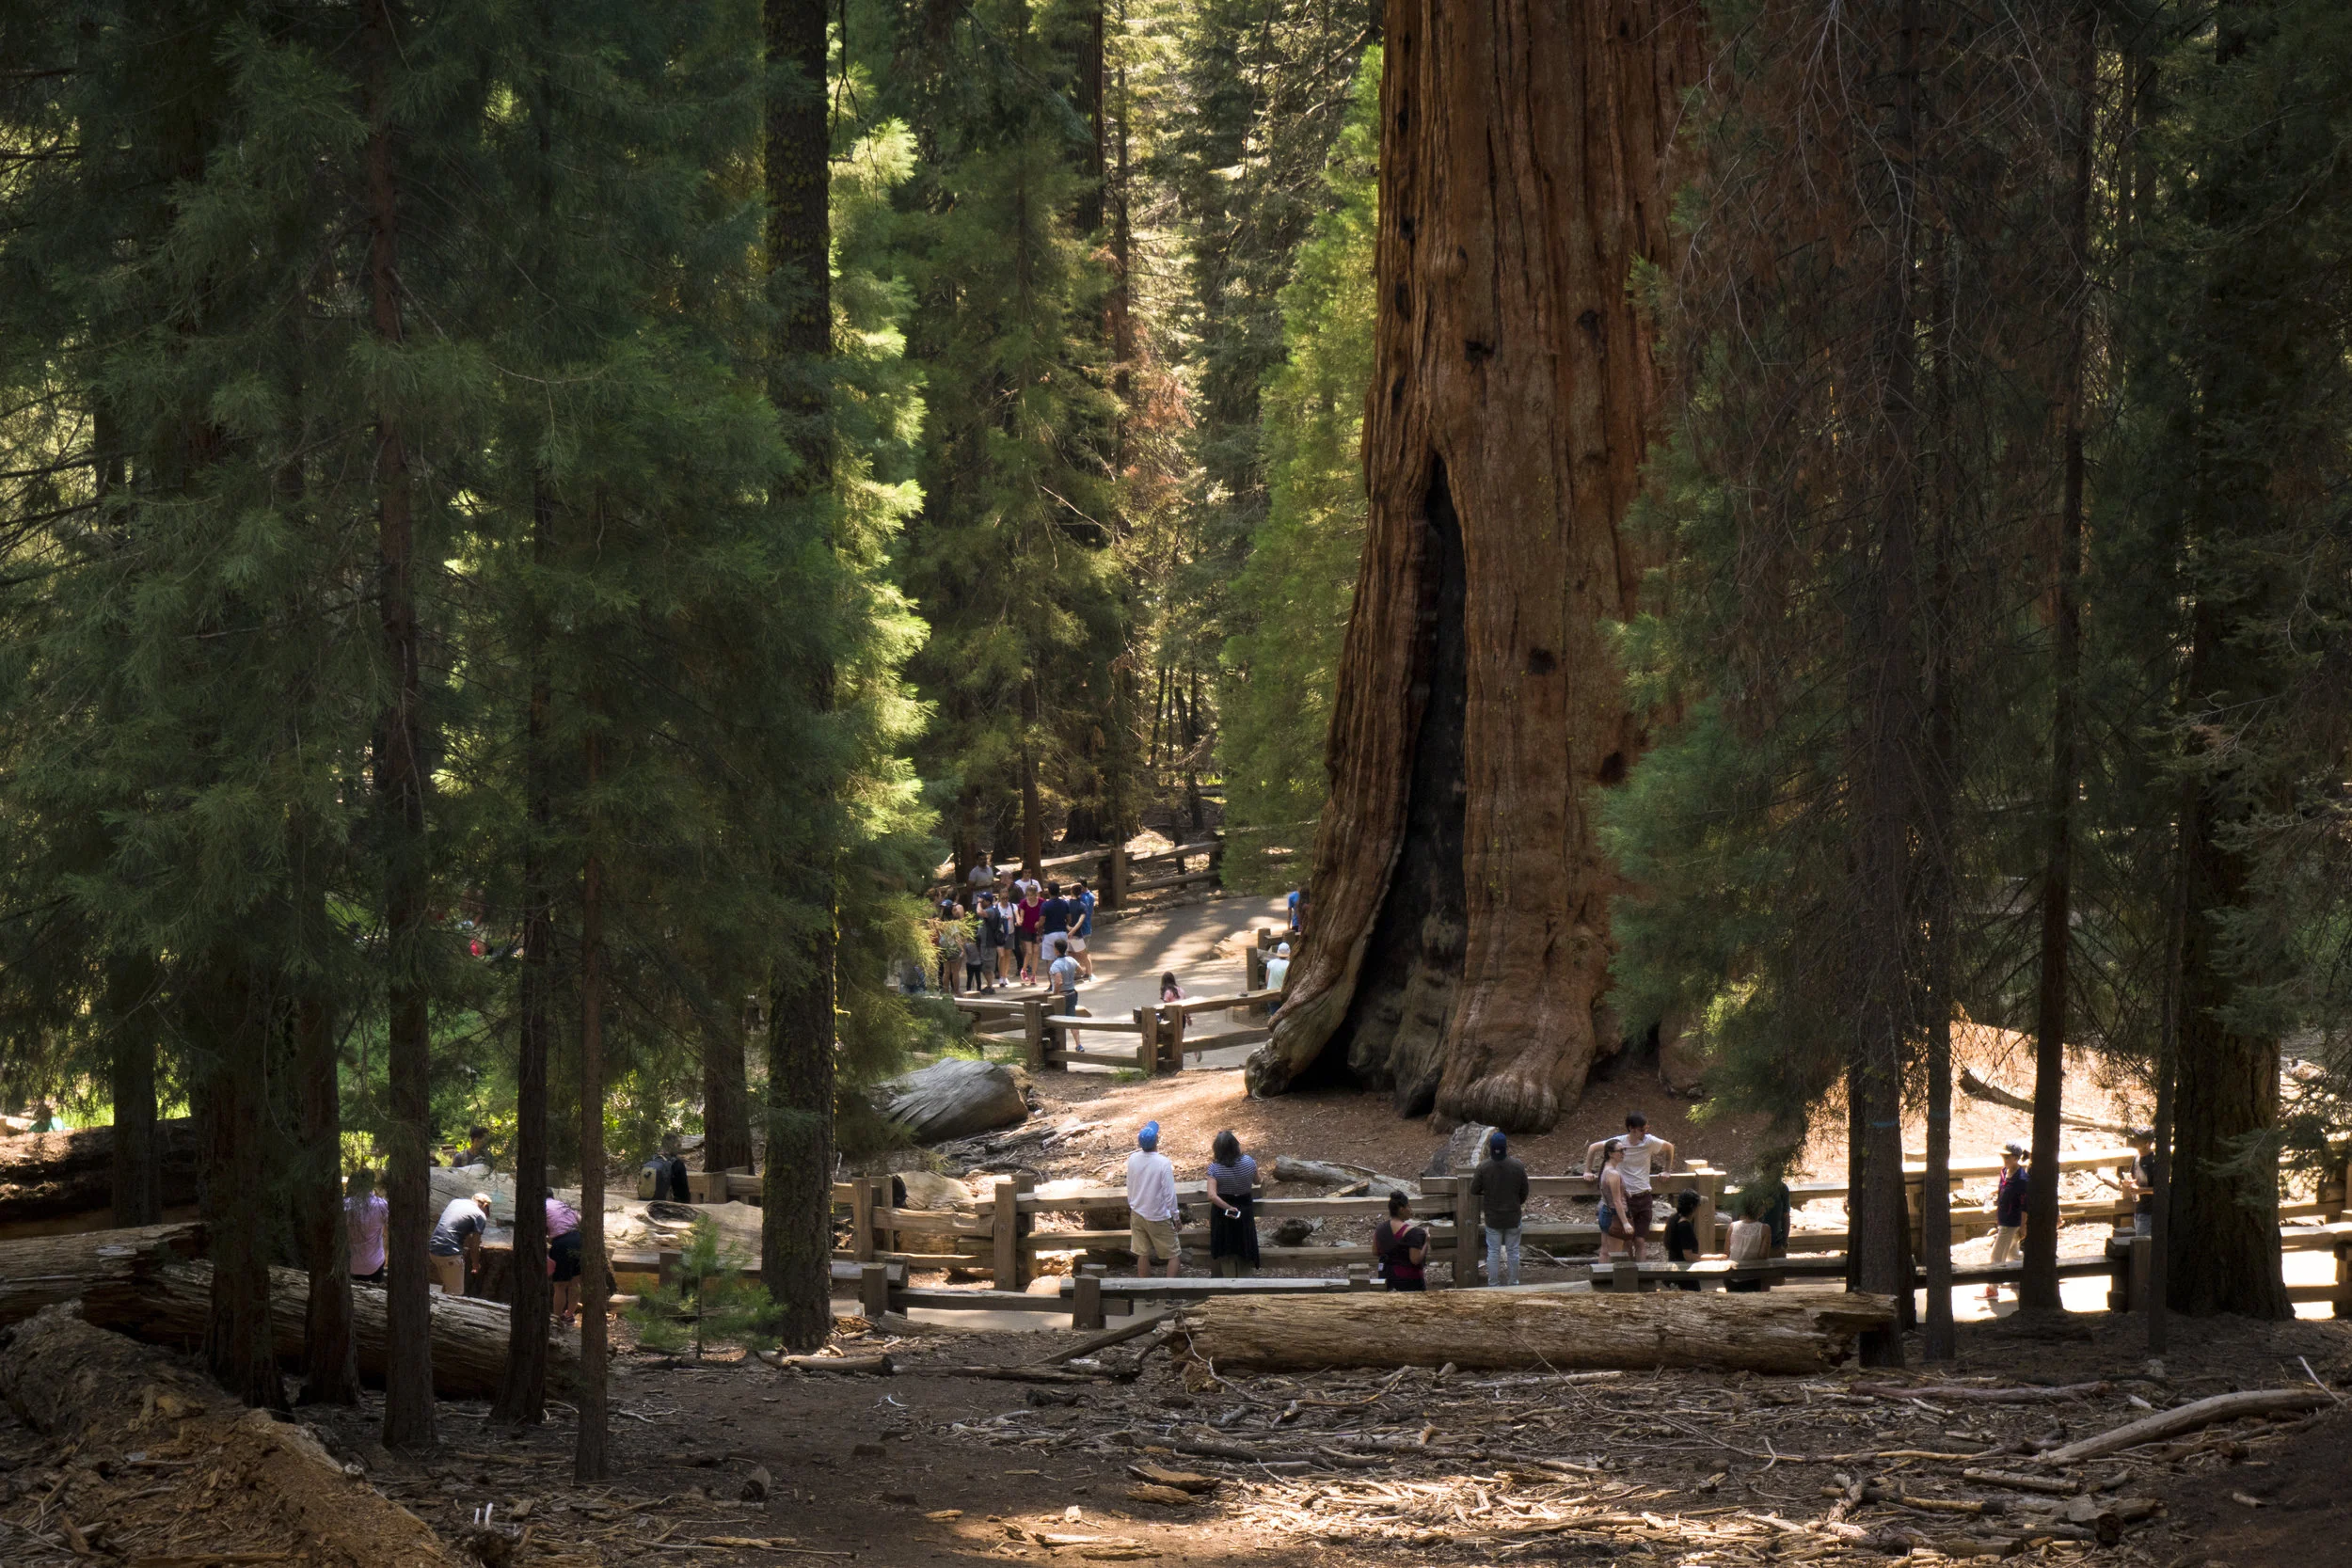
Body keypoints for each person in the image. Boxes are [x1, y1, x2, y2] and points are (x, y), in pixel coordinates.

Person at [1586, 1112, 1675, 1260]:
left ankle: (1641, 1274)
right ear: (1632, 1129)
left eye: (1647, 1129)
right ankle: (1629, 1275)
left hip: (1644, 1196)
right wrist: (1587, 1171)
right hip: (1626, 1200)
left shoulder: (1649, 1142)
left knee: (1640, 1240)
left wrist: (1667, 1170)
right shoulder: (1619, 1143)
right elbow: (1593, 1147)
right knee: (1626, 1242)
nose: (1645, 1133)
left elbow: (1669, 1147)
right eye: (1642, 1130)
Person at [1470, 1130, 1530, 1287]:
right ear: (1506, 1147)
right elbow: (1524, 1191)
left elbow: (1473, 1189)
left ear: (1491, 1148)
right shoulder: (1517, 1166)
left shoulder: (1484, 1167)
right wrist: (1516, 1203)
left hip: (1493, 1217)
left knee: (1493, 1252)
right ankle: (1513, 1283)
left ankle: (1494, 1284)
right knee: (1513, 1252)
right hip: (1513, 1216)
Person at [1125, 1121, 1181, 1279]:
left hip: (1137, 1212)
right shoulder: (1163, 1163)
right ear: (1157, 1140)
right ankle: (1169, 1293)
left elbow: (1130, 1184)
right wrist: (1175, 1216)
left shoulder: (1133, 1159)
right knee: (1174, 1254)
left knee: (1142, 1254)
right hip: (1158, 1215)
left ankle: (1147, 1295)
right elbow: (1169, 1194)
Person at [1206, 1130, 1260, 1277]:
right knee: (1244, 1245)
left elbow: (1211, 1195)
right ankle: (1245, 1281)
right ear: (1236, 1146)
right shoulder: (1249, 1161)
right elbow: (1257, 1181)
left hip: (1224, 1212)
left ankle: (1229, 1282)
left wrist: (1228, 1207)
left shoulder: (1214, 1169)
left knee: (1226, 1248)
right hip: (1245, 1208)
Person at [1986, 1141, 2028, 1302]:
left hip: (2012, 1223)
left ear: (2016, 1158)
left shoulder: (2022, 1179)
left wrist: (2023, 1227)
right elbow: (2004, 1187)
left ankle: (1992, 1289)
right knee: (2014, 1254)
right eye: (2003, 1155)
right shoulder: (2004, 1172)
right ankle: (2021, 1279)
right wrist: (1995, 1191)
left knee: (1996, 1257)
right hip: (2003, 1219)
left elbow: (2025, 1206)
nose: (2004, 1159)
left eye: (2007, 1156)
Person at [428, 1191, 491, 1297]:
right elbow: (474, 1246)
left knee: (449, 1285)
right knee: (455, 1294)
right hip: (449, 1254)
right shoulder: (480, 1215)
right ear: (485, 1205)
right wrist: (475, 1264)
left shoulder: (456, 1202)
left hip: (433, 1249)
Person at [1373, 1190, 1428, 1291]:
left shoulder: (1380, 1228)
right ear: (1402, 1209)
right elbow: (1415, 1260)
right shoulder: (1414, 1232)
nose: (1410, 1209)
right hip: (1409, 1283)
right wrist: (1427, 1242)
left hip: (1386, 1279)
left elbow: (1375, 1251)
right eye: (1408, 1206)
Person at [545, 1188, 583, 1327]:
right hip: (578, 1239)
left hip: (562, 1242)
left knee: (560, 1285)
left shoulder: (541, 1206)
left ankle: (556, 1318)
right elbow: (580, 1220)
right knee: (575, 1282)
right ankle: (569, 1315)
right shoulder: (562, 1204)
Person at [345, 1168, 389, 1285]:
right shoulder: (381, 1205)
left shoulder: (344, 1205)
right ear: (372, 1184)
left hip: (350, 1265)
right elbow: (389, 1231)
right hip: (374, 1265)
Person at [1725, 1191, 1772, 1291]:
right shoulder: (1765, 1229)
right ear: (1760, 1210)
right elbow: (1763, 1256)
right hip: (1752, 1276)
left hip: (1731, 1276)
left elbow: (1726, 1252)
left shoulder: (1732, 1226)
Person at [1663, 1190, 1705, 1290]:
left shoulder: (1675, 1218)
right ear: (1693, 1207)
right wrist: (1712, 1258)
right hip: (1683, 1273)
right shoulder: (1685, 1226)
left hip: (1675, 1266)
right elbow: (1688, 1256)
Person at [2122, 1127, 2156, 1237]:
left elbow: (2162, 1189)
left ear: (2147, 1143)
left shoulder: (2154, 1162)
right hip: (2139, 1210)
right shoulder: (2136, 1158)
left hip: (2151, 1212)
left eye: (2138, 1138)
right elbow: (2132, 1178)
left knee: (2143, 1246)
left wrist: (2141, 1191)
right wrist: (2127, 1182)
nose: (2134, 1139)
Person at [1016, 884, 1045, 983]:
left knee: (1036, 951)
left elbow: (1043, 914)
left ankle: (1033, 975)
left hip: (1037, 930)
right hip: (1026, 929)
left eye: (1032, 895)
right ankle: (1023, 970)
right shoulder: (1024, 903)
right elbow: (1022, 915)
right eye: (1028, 895)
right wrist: (1020, 920)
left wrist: (1040, 923)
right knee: (1029, 952)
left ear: (1036, 894)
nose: (1030, 897)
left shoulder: (1041, 902)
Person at [1069, 879, 1096, 979]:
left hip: (1079, 931)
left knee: (1080, 953)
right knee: (1080, 953)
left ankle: (1085, 973)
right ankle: (1085, 972)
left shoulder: (1074, 902)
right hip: (1085, 928)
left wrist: (1070, 929)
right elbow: (1091, 912)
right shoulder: (1091, 897)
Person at [657, 1134, 691, 1202]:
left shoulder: (652, 1159)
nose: (680, 1148)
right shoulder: (677, 1164)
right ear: (672, 1146)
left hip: (648, 1202)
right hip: (671, 1206)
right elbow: (683, 1193)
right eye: (678, 1145)